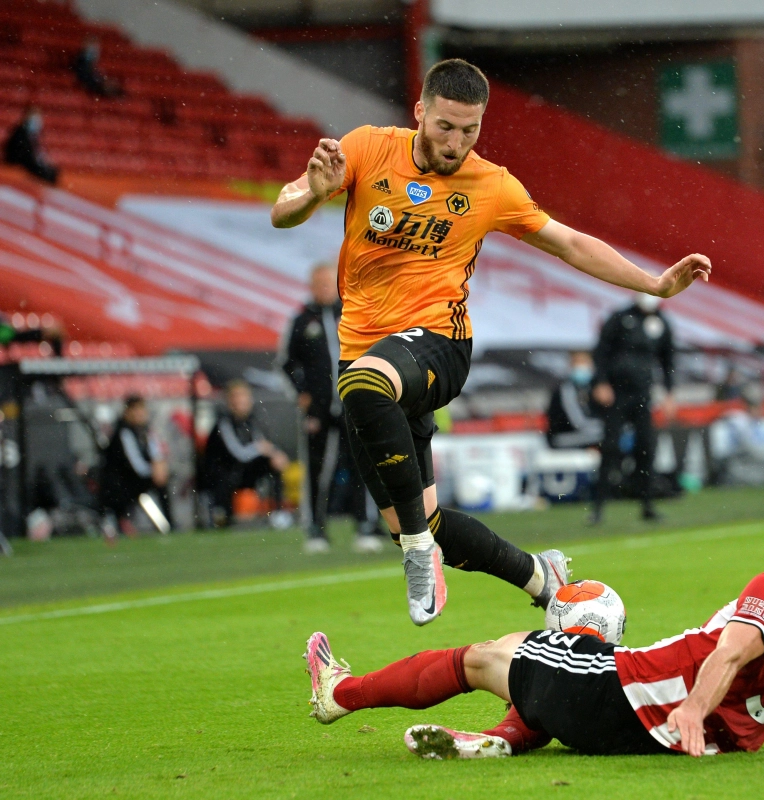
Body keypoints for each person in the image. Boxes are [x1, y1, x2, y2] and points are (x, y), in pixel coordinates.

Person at [270, 58, 711, 626]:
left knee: (364, 389)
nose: (456, 143)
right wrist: (313, 195)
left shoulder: (492, 185)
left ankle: (416, 553)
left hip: (439, 345)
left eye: (470, 129)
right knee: (417, 517)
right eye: (446, 127)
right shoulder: (366, 148)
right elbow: (284, 210)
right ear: (420, 112)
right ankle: (538, 577)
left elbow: (569, 243)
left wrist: (654, 284)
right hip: (369, 352)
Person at [302, 512, 764, 759]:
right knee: (547, 668)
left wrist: (693, 707)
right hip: (660, 734)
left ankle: (342, 693)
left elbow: (733, 651)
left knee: (487, 654)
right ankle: (503, 739)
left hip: (632, 697)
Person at [280, 263, 383, 555]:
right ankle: (315, 529)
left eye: (329, 283)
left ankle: (366, 525)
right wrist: (301, 394)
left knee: (363, 464)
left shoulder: (355, 313)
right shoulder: (301, 321)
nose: (325, 288)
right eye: (319, 284)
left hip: (355, 401)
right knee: (317, 469)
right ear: (311, 286)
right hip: (318, 408)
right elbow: (286, 364)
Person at [590, 294, 676, 523]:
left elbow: (668, 361)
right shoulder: (619, 318)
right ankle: (598, 508)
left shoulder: (662, 323)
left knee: (646, 447)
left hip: (642, 396)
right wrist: (600, 381)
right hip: (617, 395)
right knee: (609, 448)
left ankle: (647, 505)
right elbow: (601, 351)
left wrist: (669, 392)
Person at [202, 380, 290, 528]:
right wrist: (261, 449)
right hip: (225, 474)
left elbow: (264, 444)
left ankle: (278, 512)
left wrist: (276, 454)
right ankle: (222, 515)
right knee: (224, 477)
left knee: (273, 464)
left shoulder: (253, 422)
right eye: (236, 397)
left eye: (244, 396)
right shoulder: (223, 423)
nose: (241, 401)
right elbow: (238, 453)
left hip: (244, 472)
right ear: (229, 401)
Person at [98, 396, 169, 536]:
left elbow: (157, 454)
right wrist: (153, 472)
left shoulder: (146, 431)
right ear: (127, 412)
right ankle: (122, 522)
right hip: (121, 483)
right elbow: (134, 464)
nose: (140, 413)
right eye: (135, 410)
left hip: (136, 479)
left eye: (141, 409)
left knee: (164, 482)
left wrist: (160, 468)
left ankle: (167, 523)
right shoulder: (123, 432)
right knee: (158, 484)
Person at [545, 351, 603, 449]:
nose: (581, 366)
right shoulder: (565, 390)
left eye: (584, 362)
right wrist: (608, 428)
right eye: (577, 363)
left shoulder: (596, 387)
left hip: (589, 437)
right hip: (565, 438)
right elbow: (579, 422)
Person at [3, 106, 58, 185]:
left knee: (52, 171)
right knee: (45, 174)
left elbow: (36, 150)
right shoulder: (20, 131)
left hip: (28, 159)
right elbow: (19, 150)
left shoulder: (33, 133)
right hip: (21, 160)